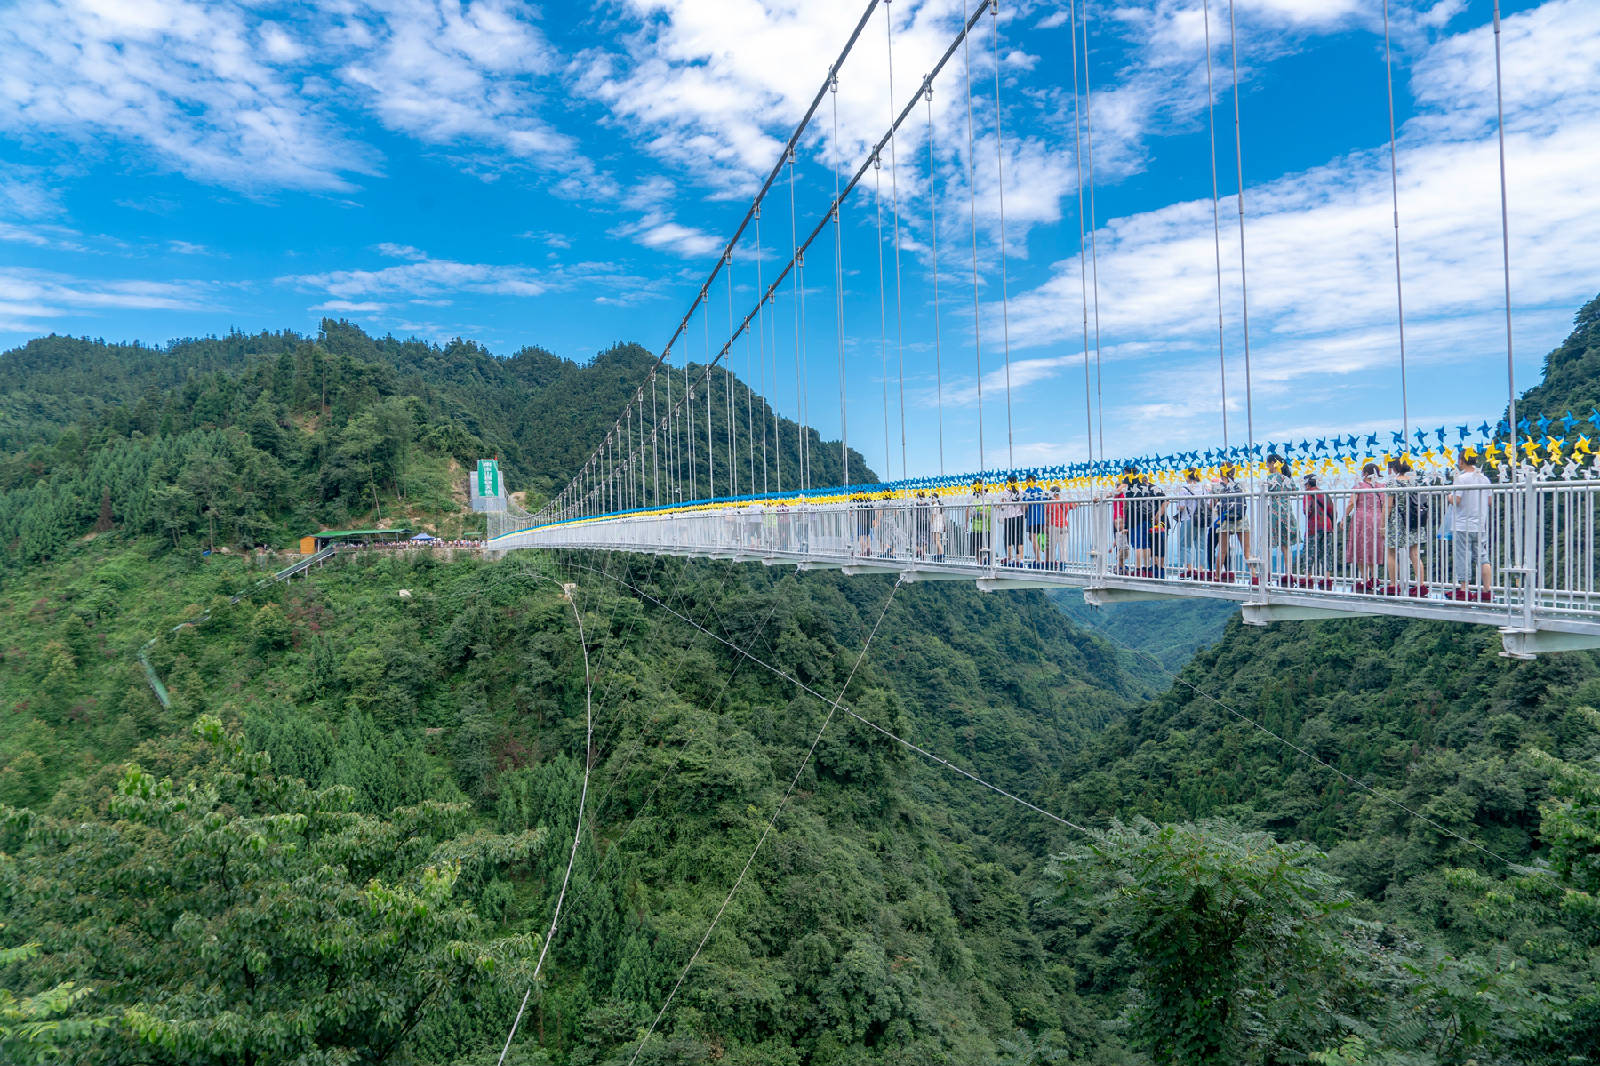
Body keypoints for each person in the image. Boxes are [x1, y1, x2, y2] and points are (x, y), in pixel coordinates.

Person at [1448, 451, 1494, 601]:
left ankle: (1464, 589)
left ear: (1461, 461)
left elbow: (1457, 500)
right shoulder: (1484, 479)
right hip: (1480, 524)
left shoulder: (1461, 479)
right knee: (1482, 556)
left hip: (1463, 524)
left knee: (1463, 557)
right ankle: (1487, 590)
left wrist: (1449, 497)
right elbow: (1489, 501)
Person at [1383, 457, 1427, 592]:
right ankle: (1420, 585)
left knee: (1391, 551)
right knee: (1414, 553)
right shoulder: (1414, 482)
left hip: (1398, 519)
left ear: (1395, 468)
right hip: (1413, 519)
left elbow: (1389, 505)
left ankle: (1393, 585)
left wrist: (1383, 524)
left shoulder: (1393, 483)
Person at [1344, 462, 1384, 588]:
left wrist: (1344, 517)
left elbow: (1351, 503)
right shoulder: (1382, 486)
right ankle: (1374, 577)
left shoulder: (1359, 486)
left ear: (1365, 473)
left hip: (1362, 519)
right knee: (1374, 548)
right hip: (1378, 518)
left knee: (1360, 549)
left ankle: (1365, 579)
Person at [1264, 454, 1301, 580]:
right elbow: (1295, 491)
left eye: (1268, 464)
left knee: (1268, 543)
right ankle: (1288, 574)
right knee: (1286, 545)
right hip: (1286, 512)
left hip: (1274, 511)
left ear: (1273, 463)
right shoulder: (1287, 478)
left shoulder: (1270, 478)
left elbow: (1265, 492)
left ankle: (1267, 574)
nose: (1266, 466)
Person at [1212, 464, 1250, 576]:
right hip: (1241, 519)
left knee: (1222, 551)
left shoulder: (1216, 487)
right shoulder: (1240, 485)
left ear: (1221, 473)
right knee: (1247, 551)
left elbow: (1215, 504)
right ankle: (1253, 576)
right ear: (1233, 472)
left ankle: (1217, 576)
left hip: (1224, 520)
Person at [1168, 468, 1205, 572]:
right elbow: (1208, 504)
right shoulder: (1203, 488)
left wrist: (1177, 505)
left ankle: (1189, 569)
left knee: (1185, 545)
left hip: (1188, 519)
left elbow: (1181, 506)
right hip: (1202, 520)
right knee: (1201, 546)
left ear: (1188, 476)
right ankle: (1201, 570)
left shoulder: (1184, 489)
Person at [1301, 473, 1335, 579]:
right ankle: (1327, 579)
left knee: (1309, 552)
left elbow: (1307, 510)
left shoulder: (1308, 494)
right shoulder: (1324, 493)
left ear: (1307, 484)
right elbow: (1333, 510)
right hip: (1328, 527)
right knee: (1326, 552)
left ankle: (1308, 578)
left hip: (1313, 527)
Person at [1046, 483, 1075, 569]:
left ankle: (1052, 565)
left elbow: (1047, 516)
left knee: (1052, 547)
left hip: (1054, 526)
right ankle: (1063, 565)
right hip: (1064, 527)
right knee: (1063, 547)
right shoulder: (1064, 502)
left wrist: (1046, 526)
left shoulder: (1050, 503)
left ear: (1053, 493)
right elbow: (1074, 506)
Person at [1022, 475, 1049, 566]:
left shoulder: (1027, 491)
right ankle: (1042, 551)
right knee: (1033, 537)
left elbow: (1025, 507)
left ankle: (1038, 559)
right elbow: (1045, 504)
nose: (1025, 483)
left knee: (1032, 537)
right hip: (1040, 518)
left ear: (1029, 481)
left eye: (1026, 481)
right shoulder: (1040, 490)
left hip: (1032, 518)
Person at [999, 477, 1026, 565]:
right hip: (1019, 517)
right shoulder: (1020, 491)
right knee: (1019, 538)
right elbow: (1023, 505)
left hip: (1009, 517)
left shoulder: (1005, 492)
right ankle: (1020, 560)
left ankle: (1010, 560)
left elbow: (1003, 506)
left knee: (1008, 539)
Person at [968, 482, 992, 564]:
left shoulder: (989, 499)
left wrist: (982, 513)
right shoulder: (974, 500)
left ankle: (987, 561)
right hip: (976, 528)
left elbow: (989, 513)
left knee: (987, 545)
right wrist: (979, 513)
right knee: (976, 546)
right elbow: (971, 513)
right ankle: (979, 562)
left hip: (986, 528)